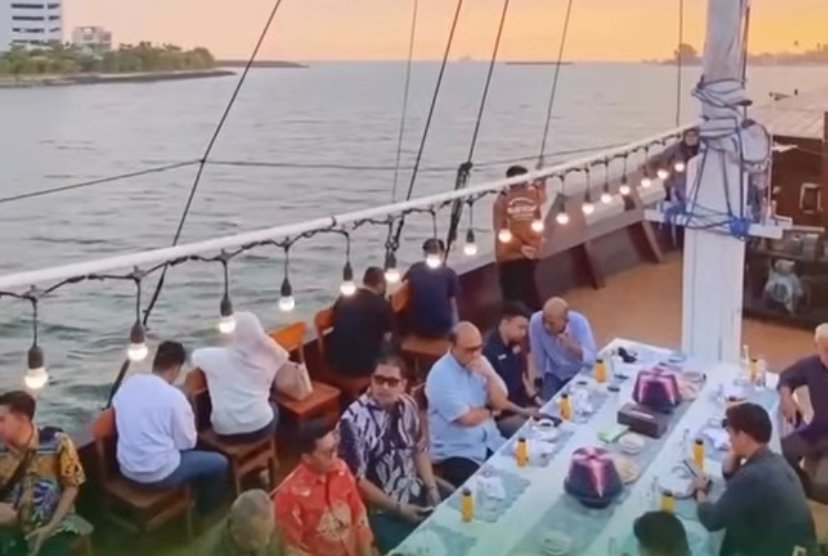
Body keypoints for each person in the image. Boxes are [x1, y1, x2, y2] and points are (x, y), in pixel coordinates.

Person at [338, 355, 444, 553]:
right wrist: (398, 508)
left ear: (403, 384)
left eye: (392, 382)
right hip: (380, 509)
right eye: (379, 380)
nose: (384, 387)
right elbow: (357, 481)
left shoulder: (408, 405)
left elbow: (419, 450)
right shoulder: (353, 421)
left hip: (415, 488)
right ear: (371, 380)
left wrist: (431, 488)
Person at [112, 341, 229, 517]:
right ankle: (205, 514)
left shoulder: (129, 385)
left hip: (128, 468)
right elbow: (188, 443)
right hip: (159, 474)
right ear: (176, 368)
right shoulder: (174, 397)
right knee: (219, 463)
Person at [693, 403, 817, 556]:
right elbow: (734, 480)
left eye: (731, 433)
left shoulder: (752, 477)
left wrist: (699, 490)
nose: (729, 439)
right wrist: (736, 452)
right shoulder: (775, 460)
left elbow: (712, 520)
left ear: (744, 437)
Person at [426, 322, 527, 487]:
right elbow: (467, 419)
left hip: (490, 440)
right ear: (452, 346)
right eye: (469, 350)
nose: (475, 354)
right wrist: (491, 411)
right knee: (487, 489)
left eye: (479, 348)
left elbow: (501, 400)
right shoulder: (440, 375)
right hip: (459, 451)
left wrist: (488, 375)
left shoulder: (481, 362)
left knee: (524, 470)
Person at [0, 391, 85, 556]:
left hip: (55, 523)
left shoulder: (58, 443)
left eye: (1, 420)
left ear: (22, 420)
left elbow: (71, 487)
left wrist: (50, 527)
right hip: (8, 525)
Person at [272, 423, 373, 556]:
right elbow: (291, 549)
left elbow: (359, 514)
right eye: (328, 452)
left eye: (335, 448)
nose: (335, 456)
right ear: (307, 458)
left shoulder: (342, 470)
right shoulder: (289, 495)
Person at [192, 312, 284, 443]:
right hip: (261, 427)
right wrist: (265, 341)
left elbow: (195, 356)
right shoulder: (269, 358)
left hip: (225, 432)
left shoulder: (214, 357)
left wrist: (223, 343)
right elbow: (282, 355)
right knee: (274, 406)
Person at [779, 322, 828, 494]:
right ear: (817, 346)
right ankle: (802, 490)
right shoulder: (811, 365)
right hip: (815, 432)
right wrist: (786, 397)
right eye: (827, 350)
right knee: (780, 455)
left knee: (822, 487)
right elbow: (786, 376)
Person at [483, 302, 542, 437]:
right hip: (505, 416)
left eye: (525, 329)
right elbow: (496, 400)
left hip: (523, 406)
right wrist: (524, 412)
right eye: (520, 327)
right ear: (505, 323)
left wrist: (536, 398)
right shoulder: (488, 353)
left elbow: (522, 377)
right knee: (534, 434)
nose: (523, 333)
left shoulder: (517, 345)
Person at [493, 165, 547, 311]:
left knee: (514, 296)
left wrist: (521, 248)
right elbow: (543, 194)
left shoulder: (502, 201)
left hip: (511, 254)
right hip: (530, 253)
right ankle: (535, 317)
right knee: (529, 291)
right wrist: (541, 176)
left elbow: (500, 231)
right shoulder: (533, 195)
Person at [328, 266, 394, 378]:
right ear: (380, 285)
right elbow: (387, 338)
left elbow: (336, 318)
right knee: (392, 345)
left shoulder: (344, 297)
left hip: (336, 360)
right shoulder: (382, 305)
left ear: (364, 281)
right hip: (363, 365)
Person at [529, 297, 596, 400]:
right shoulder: (536, 322)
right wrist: (539, 378)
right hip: (554, 372)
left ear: (566, 320)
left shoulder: (579, 322)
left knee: (580, 401)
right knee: (547, 404)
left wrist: (572, 347)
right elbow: (538, 354)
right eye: (544, 320)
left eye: (551, 323)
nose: (546, 326)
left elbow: (592, 358)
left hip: (577, 371)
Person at [402, 238, 460, 339]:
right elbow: (453, 303)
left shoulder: (413, 271)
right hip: (442, 326)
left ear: (424, 254)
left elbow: (403, 286)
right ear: (441, 254)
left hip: (417, 325)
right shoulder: (450, 274)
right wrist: (456, 327)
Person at [199, 489, 282, 556]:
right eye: (255, 542)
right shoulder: (212, 551)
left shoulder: (265, 528)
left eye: (269, 534)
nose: (267, 542)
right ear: (236, 534)